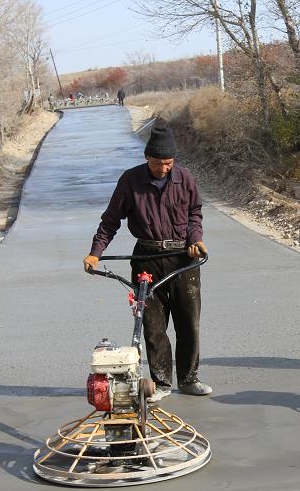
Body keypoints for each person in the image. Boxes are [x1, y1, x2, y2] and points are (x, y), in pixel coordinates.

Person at [83, 125, 211, 399]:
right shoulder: (130, 181)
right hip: (146, 258)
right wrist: (96, 251)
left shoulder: (185, 179)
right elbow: (110, 221)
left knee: (189, 322)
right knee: (152, 324)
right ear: (147, 158)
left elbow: (194, 213)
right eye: (157, 163)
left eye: (168, 163)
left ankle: (189, 379)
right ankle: (162, 383)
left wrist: (195, 239)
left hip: (182, 259)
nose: (163, 168)